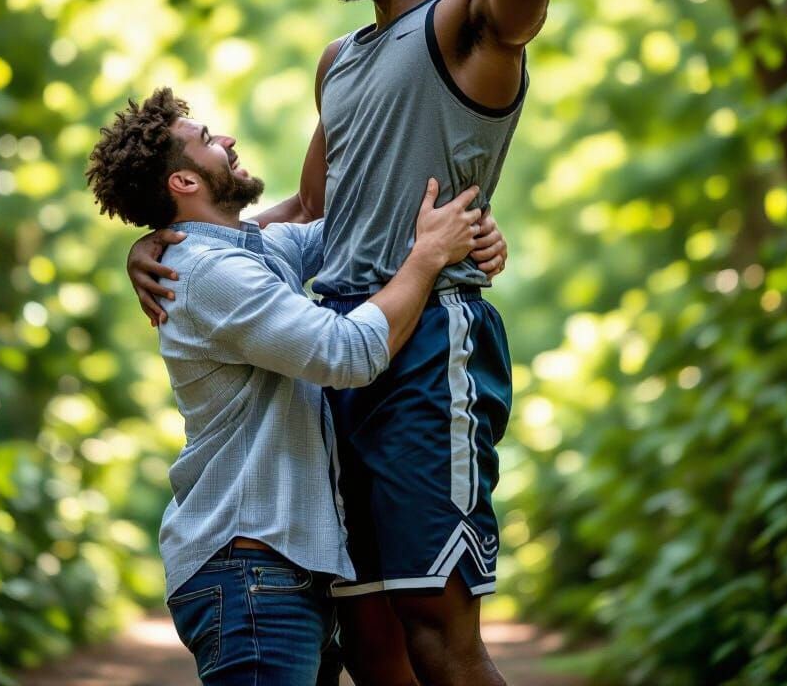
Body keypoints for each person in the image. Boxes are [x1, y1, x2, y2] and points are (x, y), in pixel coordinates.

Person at [128, 0, 603, 686]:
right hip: (337, 362)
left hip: (427, 342)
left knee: (439, 638)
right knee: (371, 648)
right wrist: (170, 239)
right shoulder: (337, 62)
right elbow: (306, 218)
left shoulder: (467, 22)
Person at [85, 87, 490, 686]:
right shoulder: (210, 274)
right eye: (205, 140)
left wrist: (474, 235)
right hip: (250, 575)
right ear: (185, 184)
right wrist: (429, 257)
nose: (224, 140)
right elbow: (346, 352)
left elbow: (335, 226)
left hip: (279, 574)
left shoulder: (248, 253)